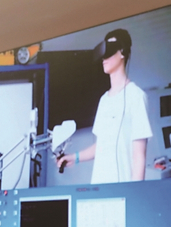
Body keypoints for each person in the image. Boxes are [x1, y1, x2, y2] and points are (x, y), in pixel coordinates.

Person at [56, 29, 152, 184]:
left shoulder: (136, 96)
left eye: (109, 51)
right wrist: (74, 157)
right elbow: (101, 146)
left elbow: (139, 156)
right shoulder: (104, 100)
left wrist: (134, 194)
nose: (103, 58)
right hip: (99, 188)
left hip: (123, 190)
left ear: (122, 52)